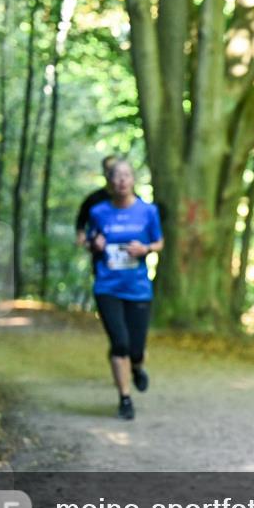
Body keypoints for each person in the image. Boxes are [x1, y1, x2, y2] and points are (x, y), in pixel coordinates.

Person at [88, 159, 164, 420]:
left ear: (133, 180)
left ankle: (137, 367)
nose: (121, 180)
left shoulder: (148, 211)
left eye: (126, 175)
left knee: (136, 349)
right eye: (116, 176)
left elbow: (159, 242)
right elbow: (91, 239)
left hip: (138, 288)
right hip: (107, 286)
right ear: (109, 182)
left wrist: (146, 249)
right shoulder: (98, 212)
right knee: (119, 343)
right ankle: (125, 398)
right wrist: (95, 244)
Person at [76, 155, 118, 252]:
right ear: (104, 172)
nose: (112, 173)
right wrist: (83, 237)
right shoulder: (93, 199)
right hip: (100, 251)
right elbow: (81, 220)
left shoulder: (134, 199)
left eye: (114, 169)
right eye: (108, 169)